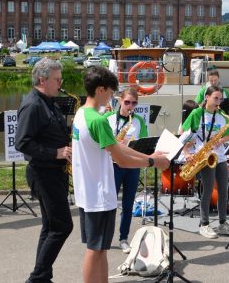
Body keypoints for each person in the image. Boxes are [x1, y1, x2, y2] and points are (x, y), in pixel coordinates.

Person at [72, 66, 169, 283]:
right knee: (94, 250)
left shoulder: (82, 113)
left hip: (88, 190)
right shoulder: (98, 120)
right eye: (110, 91)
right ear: (100, 89)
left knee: (101, 249)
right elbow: (121, 159)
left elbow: (117, 146)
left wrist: (150, 154)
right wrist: (154, 161)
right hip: (98, 193)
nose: (112, 96)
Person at [16, 58, 75, 283]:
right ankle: (36, 278)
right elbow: (22, 143)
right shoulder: (33, 105)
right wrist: (55, 153)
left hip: (54, 172)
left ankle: (44, 277)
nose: (61, 83)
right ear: (43, 80)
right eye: (57, 79)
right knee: (63, 226)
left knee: (50, 226)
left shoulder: (48, 101)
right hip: (43, 172)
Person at [181, 86, 229, 239]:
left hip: (220, 156)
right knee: (208, 190)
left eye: (220, 99)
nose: (218, 101)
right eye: (216, 98)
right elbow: (186, 135)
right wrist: (186, 153)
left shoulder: (222, 116)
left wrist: (221, 140)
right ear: (207, 97)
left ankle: (222, 222)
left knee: (223, 190)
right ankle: (204, 224)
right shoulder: (197, 113)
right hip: (204, 156)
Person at [105, 87, 148, 253]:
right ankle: (106, 237)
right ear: (120, 101)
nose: (130, 106)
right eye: (127, 102)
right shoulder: (107, 118)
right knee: (110, 204)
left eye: (134, 103)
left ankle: (123, 238)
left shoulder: (138, 121)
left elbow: (143, 145)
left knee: (128, 204)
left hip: (131, 166)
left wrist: (130, 144)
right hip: (112, 165)